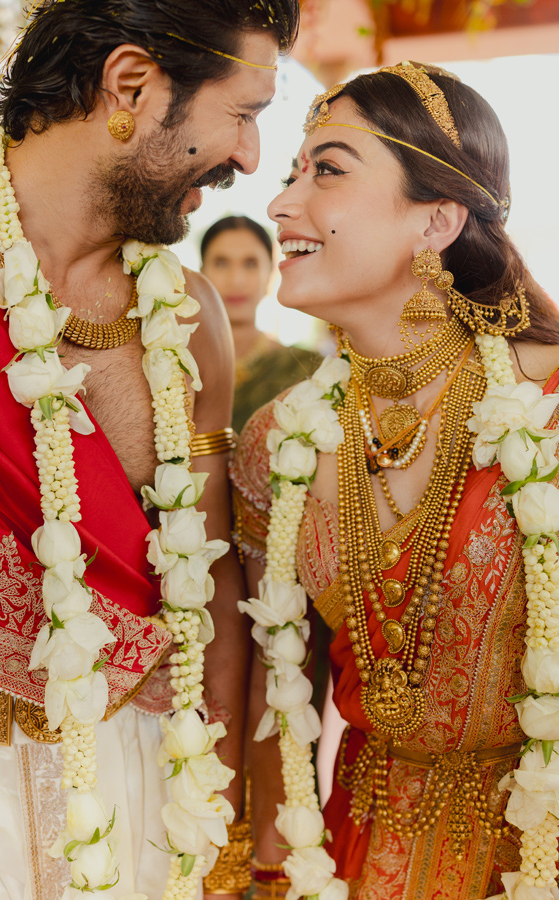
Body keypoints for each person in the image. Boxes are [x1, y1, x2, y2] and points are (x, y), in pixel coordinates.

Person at [0, 1, 299, 898]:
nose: (253, 160)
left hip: (141, 797)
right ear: (132, 85)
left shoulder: (190, 321)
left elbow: (214, 591)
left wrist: (215, 833)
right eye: (245, 114)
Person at [231, 63, 559, 899]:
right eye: (291, 173)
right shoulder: (276, 442)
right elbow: (276, 690)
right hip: (344, 857)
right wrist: (271, 873)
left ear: (439, 219)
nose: (282, 204)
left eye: (328, 169)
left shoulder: (547, 409)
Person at [200, 215, 320, 434]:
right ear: (201, 274)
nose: (236, 279)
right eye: (221, 263)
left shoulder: (303, 369)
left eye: (250, 264)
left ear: (269, 275)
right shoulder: (173, 365)